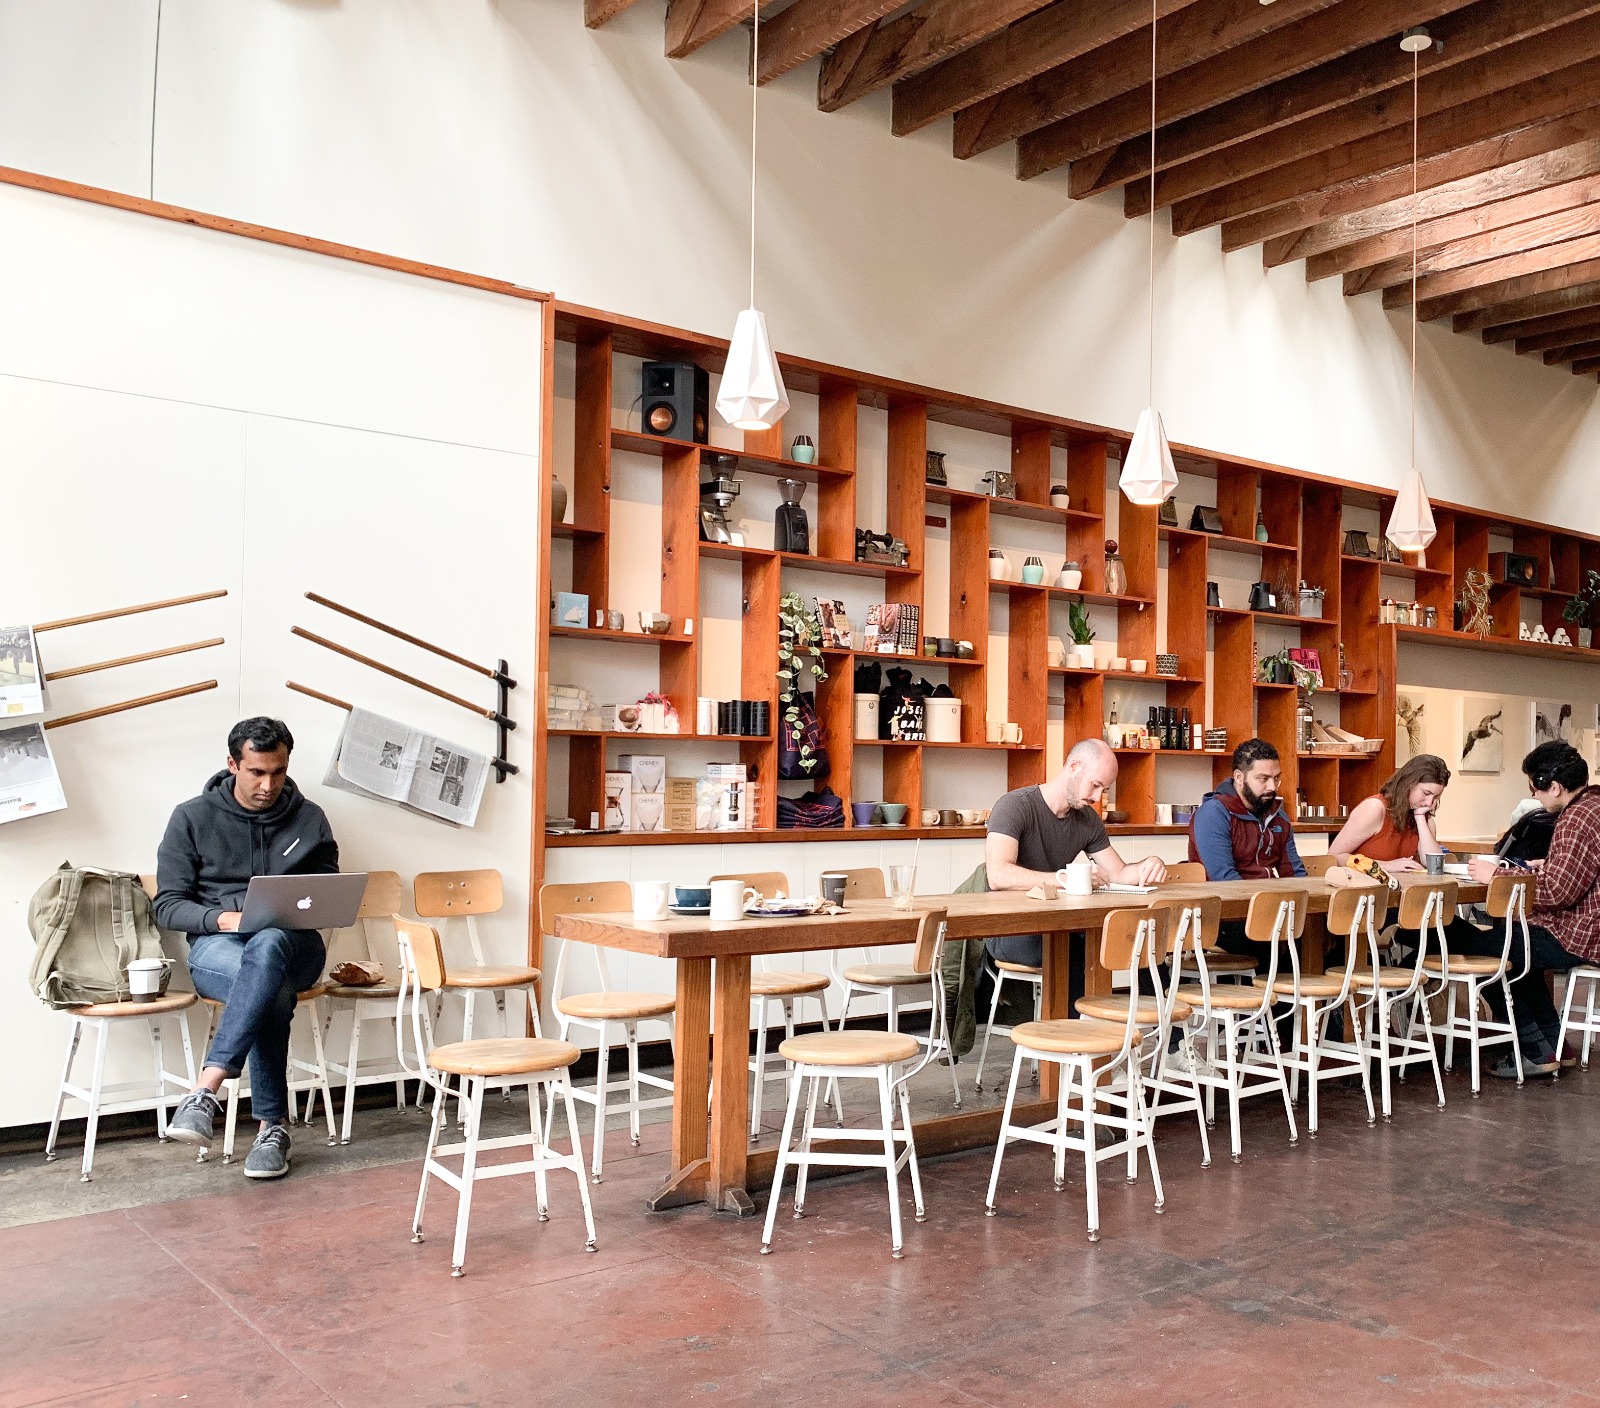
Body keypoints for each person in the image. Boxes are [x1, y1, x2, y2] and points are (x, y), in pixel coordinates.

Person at [155, 717, 340, 1178]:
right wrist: (224, 919)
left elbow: (327, 893)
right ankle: (272, 1128)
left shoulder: (309, 818)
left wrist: (290, 912)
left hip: (296, 947)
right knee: (268, 989)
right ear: (233, 764)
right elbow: (167, 905)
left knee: (271, 942)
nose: (268, 785)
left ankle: (205, 1089)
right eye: (257, 772)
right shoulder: (192, 817)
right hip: (219, 948)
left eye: (278, 772)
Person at [1461, 741, 1600, 1079]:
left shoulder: (1575, 819)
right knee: (1515, 952)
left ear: (1554, 786)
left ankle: (1535, 1050)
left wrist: (1496, 875)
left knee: (1483, 951)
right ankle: (1555, 1046)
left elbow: (1556, 892)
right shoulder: (1594, 805)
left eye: (1535, 789)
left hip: (1577, 937)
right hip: (1589, 932)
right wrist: (1547, 866)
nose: (1535, 798)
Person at [983, 738, 1167, 967]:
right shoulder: (1014, 806)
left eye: (1104, 790)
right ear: (1074, 767)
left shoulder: (1087, 819)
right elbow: (998, 876)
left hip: (1058, 922)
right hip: (1010, 928)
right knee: (1080, 948)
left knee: (1136, 939)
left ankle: (1156, 992)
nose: (1097, 798)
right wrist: (1067, 880)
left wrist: (1148, 864)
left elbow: (1117, 874)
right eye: (1095, 785)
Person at [1188, 738, 1306, 882]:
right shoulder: (1213, 814)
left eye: (1276, 778)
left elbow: (1295, 875)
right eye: (1263, 779)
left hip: (1266, 894)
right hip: (1223, 895)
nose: (1272, 787)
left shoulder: (1278, 816)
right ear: (1239, 777)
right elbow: (1225, 880)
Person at [1329, 754, 1450, 873]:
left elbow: (1434, 866)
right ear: (1408, 783)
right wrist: (1385, 866)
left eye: (1436, 797)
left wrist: (1420, 818)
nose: (1429, 803)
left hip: (1402, 885)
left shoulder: (1425, 820)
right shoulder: (1374, 808)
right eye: (1426, 793)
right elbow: (1334, 856)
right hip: (1363, 884)